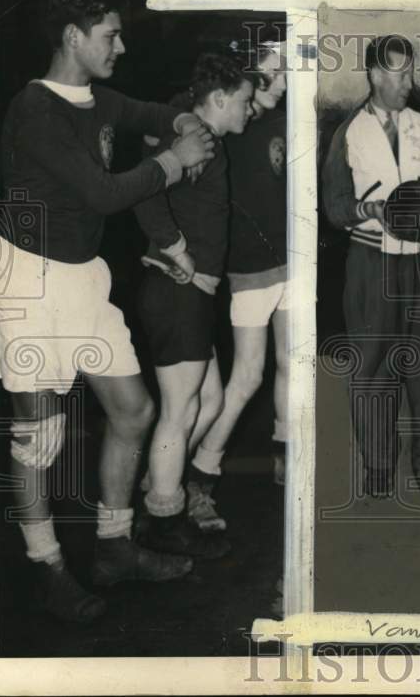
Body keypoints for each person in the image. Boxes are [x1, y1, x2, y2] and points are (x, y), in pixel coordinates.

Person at [0, 0, 215, 622]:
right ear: (72, 38)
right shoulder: (35, 108)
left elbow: (150, 114)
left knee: (134, 409)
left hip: (85, 278)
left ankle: (115, 547)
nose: (120, 45)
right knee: (38, 438)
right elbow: (101, 194)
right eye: (109, 35)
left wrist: (180, 121)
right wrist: (175, 161)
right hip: (29, 283)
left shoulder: (99, 97)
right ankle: (48, 568)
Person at [322, 35, 420, 501]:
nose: (408, 83)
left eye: (411, 73)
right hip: (370, 261)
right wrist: (368, 209)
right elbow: (333, 205)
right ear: (376, 75)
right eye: (399, 74)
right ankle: (379, 464)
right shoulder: (348, 133)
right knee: (373, 368)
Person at [134, 52, 254, 558]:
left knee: (210, 402)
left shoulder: (206, 135)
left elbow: (179, 105)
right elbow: (144, 193)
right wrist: (176, 247)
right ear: (220, 101)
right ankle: (161, 520)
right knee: (179, 411)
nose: (250, 111)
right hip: (175, 290)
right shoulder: (191, 141)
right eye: (245, 102)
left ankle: (158, 486)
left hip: (195, 294)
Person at [184, 42, 288, 532]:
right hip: (247, 271)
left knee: (293, 365)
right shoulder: (229, 128)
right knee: (245, 378)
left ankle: (288, 460)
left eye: (285, 74)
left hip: (294, 264)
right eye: (272, 75)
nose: (282, 84)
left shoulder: (287, 122)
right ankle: (200, 472)